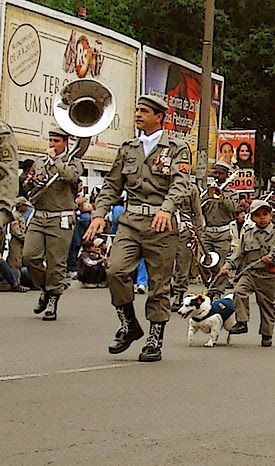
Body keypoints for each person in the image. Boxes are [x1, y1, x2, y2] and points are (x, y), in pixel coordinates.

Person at [85, 94, 191, 363]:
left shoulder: (177, 148)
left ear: (159, 117)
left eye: (145, 111)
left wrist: (167, 208)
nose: (139, 114)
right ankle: (129, 324)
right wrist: (99, 213)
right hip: (131, 222)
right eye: (137, 110)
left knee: (158, 285)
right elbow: (111, 185)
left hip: (161, 224)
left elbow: (181, 183)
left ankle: (155, 338)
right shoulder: (128, 149)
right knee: (115, 270)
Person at [23, 127, 83, 321]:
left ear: (65, 142)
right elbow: (29, 184)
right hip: (39, 215)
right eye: (50, 140)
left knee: (56, 262)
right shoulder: (40, 161)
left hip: (60, 217)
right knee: (29, 256)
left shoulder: (73, 163)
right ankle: (44, 288)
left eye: (56, 141)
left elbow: (71, 177)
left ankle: (52, 300)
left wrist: (56, 160)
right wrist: (31, 182)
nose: (52, 144)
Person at [218, 200, 275, 347]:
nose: (262, 218)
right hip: (250, 273)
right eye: (257, 215)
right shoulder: (247, 234)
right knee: (239, 292)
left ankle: (267, 334)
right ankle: (242, 322)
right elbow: (239, 254)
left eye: (265, 214)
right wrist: (227, 266)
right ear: (252, 217)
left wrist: (271, 258)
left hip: (269, 275)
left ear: (271, 216)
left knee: (266, 306)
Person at [202, 161, 240, 299]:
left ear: (226, 175)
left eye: (220, 173)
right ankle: (210, 286)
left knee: (221, 264)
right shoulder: (207, 190)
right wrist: (208, 195)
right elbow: (200, 208)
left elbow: (233, 209)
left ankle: (217, 292)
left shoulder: (232, 193)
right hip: (207, 231)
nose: (217, 176)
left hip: (223, 232)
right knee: (205, 262)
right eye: (215, 172)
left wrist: (221, 196)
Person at [171, 182, 204, 311]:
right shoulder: (165, 184)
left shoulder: (191, 188)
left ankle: (179, 293)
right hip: (168, 226)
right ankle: (168, 289)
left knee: (182, 263)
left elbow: (197, 211)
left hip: (185, 229)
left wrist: (198, 233)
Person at [7, 197, 29, 272]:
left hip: (21, 243)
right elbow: (16, 231)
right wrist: (27, 238)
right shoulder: (14, 216)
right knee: (15, 263)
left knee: (19, 262)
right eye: (25, 205)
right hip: (15, 243)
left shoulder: (20, 215)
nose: (26, 207)